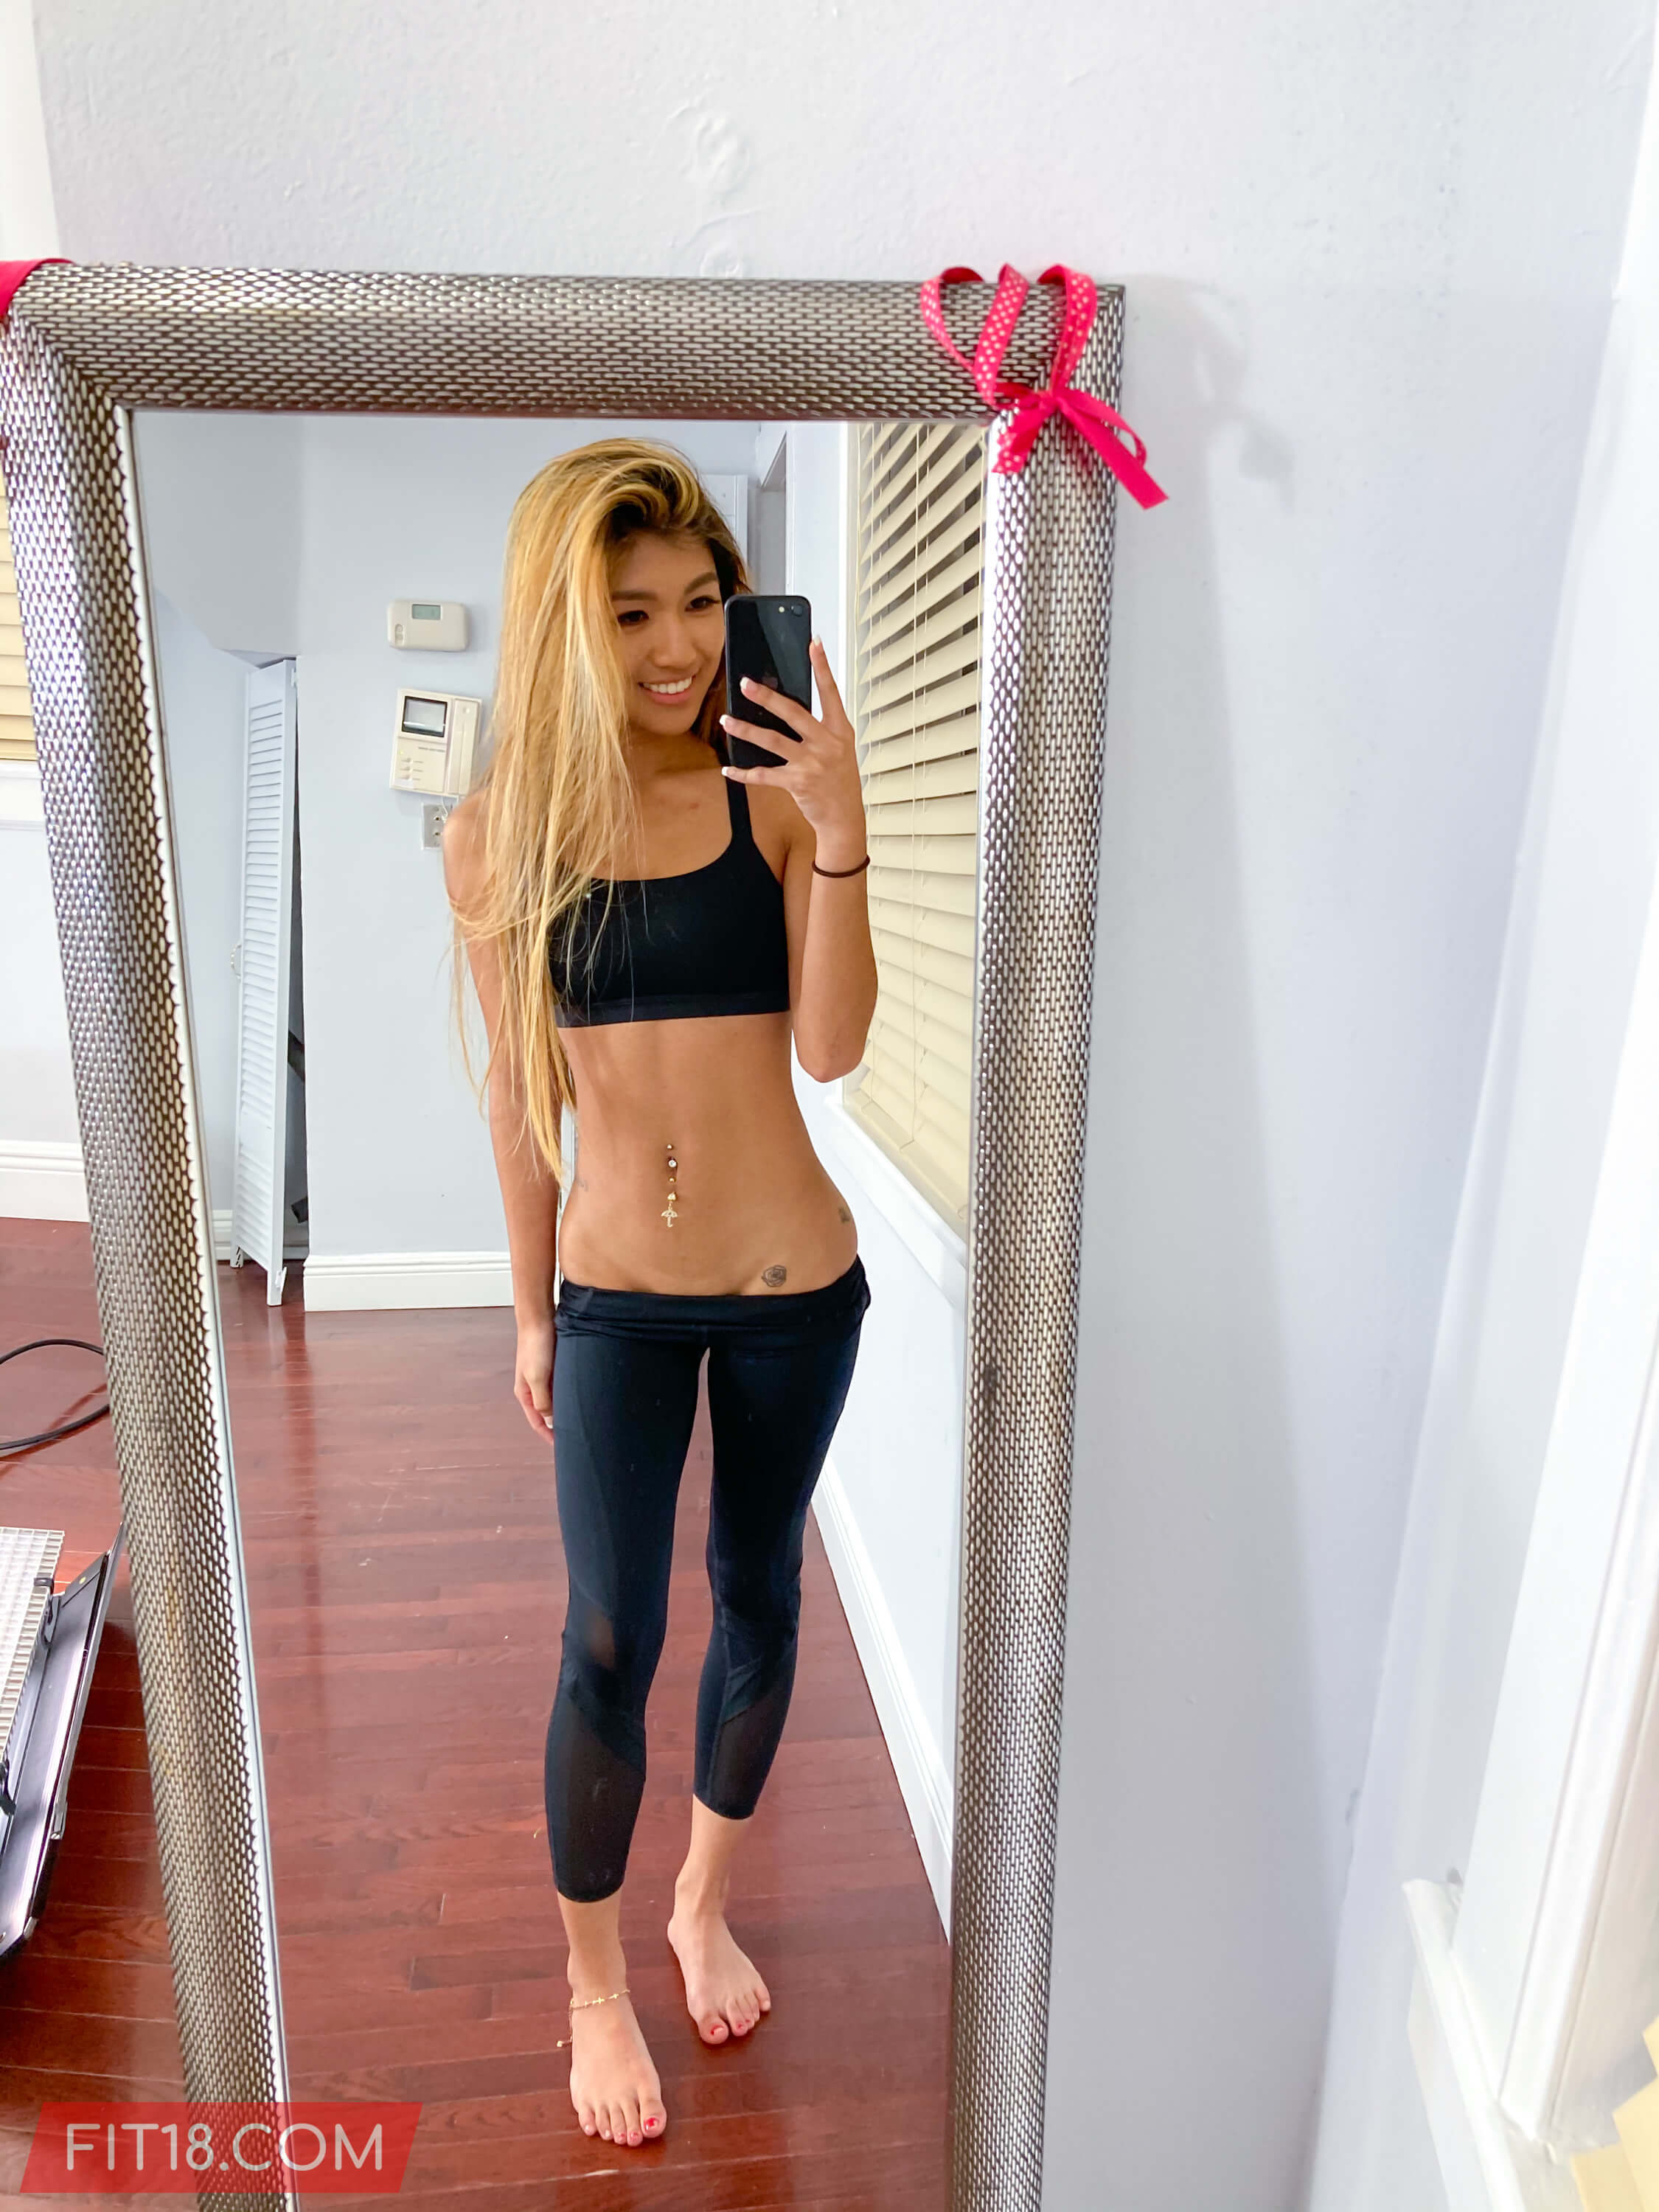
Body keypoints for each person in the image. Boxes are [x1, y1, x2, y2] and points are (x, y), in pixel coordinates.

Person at [442, 438, 877, 2152]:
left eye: (702, 602)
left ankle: (702, 1903)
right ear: (570, 625)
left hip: (793, 1290)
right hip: (615, 1295)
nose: (680, 645)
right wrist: (529, 1311)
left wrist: (842, 832)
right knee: (608, 1636)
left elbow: (831, 1049)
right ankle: (592, 1984)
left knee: (756, 1596)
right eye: (632, 613)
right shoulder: (503, 836)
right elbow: (516, 1099)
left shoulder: (769, 798)